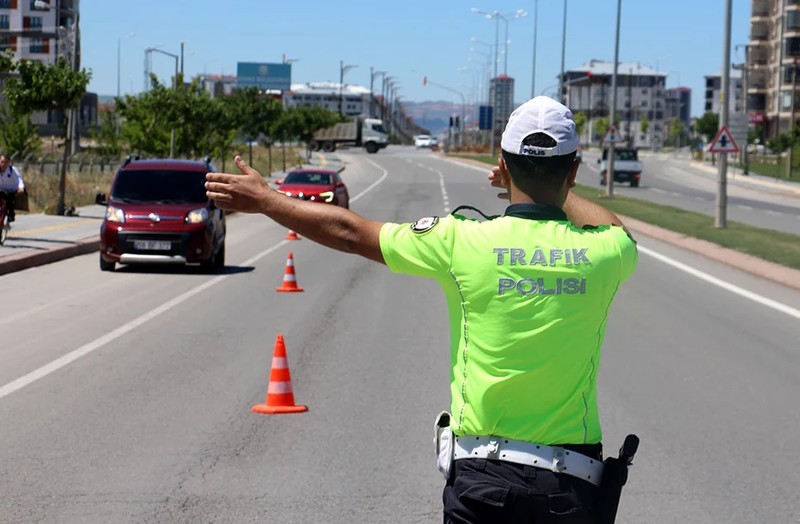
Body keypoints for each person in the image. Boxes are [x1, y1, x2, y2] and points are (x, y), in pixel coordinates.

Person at [205, 96, 638, 523]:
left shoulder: (461, 241)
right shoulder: (604, 252)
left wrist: (267, 200)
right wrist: (558, 192)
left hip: (483, 482)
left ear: (502, 165)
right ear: (574, 171)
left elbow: (350, 231)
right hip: (570, 489)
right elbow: (617, 227)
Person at [0, 154, 26, 223]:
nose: (3, 164)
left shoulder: (12, 170)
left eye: (5, 162)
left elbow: (19, 179)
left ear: (8, 163)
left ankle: (11, 214)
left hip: (11, 190)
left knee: (8, 199)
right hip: (1, 189)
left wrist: (21, 188)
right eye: (2, 162)